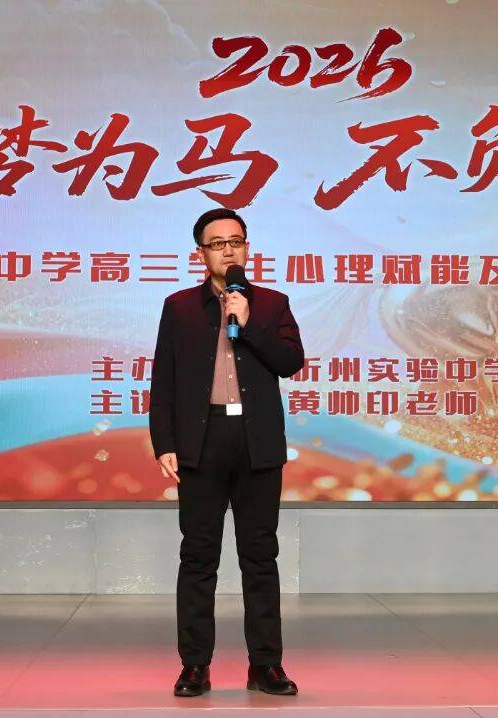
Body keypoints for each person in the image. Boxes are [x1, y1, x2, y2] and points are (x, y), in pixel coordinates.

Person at [149, 207, 305, 697]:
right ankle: (195, 666)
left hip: (257, 442)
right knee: (198, 557)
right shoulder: (179, 307)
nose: (228, 250)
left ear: (247, 248)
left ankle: (266, 665)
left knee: (260, 556)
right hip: (202, 441)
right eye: (217, 244)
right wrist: (164, 442)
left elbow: (290, 362)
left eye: (235, 241)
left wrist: (249, 322)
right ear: (201, 253)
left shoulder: (272, 304)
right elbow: (164, 380)